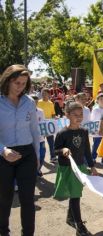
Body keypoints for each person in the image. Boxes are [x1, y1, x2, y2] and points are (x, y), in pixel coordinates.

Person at [0, 65, 40, 236]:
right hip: (3, 155)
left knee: (28, 200)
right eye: (17, 83)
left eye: (24, 84)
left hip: (27, 154)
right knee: (4, 200)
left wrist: (37, 156)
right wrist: (3, 151)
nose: (20, 87)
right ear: (8, 80)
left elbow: (35, 131)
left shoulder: (29, 102)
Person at [53, 102, 98, 236]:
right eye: (75, 115)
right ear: (67, 115)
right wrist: (63, 150)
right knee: (75, 196)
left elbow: (87, 152)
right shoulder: (62, 133)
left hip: (80, 167)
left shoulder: (83, 131)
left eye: (81, 115)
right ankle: (80, 226)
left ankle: (70, 218)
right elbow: (55, 150)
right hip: (67, 168)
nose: (79, 117)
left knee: (75, 194)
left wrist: (92, 166)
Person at [37, 88, 57, 163]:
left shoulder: (51, 103)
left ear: (49, 94)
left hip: (48, 126)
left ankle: (53, 157)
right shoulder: (38, 102)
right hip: (40, 125)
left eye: (45, 93)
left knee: (51, 142)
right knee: (41, 142)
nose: (43, 94)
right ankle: (40, 157)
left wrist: (55, 119)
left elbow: (53, 113)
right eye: (42, 93)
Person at [90, 93, 103, 163]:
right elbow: (92, 120)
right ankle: (93, 157)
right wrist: (93, 130)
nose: (102, 101)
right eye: (101, 99)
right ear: (97, 101)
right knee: (96, 145)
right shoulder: (95, 110)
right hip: (97, 132)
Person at [31, 95, 46, 177]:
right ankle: (32, 172)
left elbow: (43, 123)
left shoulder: (40, 111)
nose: (35, 104)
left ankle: (38, 169)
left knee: (42, 155)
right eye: (33, 102)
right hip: (31, 140)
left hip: (41, 139)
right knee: (32, 157)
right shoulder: (26, 111)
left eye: (36, 102)